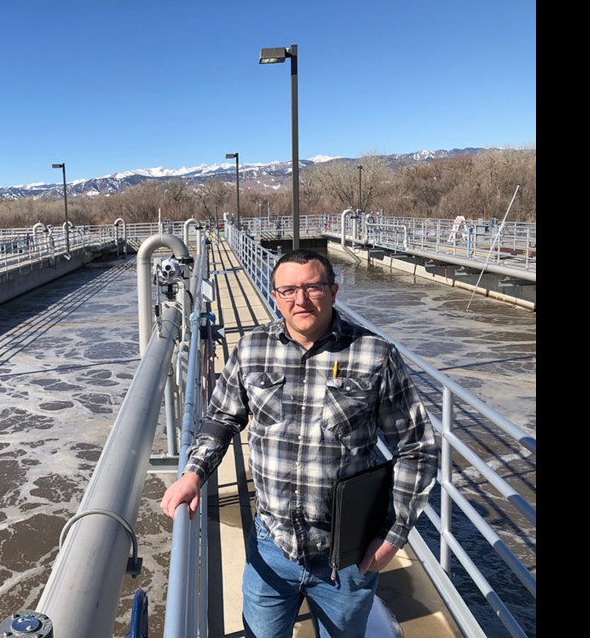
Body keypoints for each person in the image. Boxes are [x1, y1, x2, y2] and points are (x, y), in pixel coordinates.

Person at [160, 249, 438, 637]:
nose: (300, 300)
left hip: (348, 557)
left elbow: (416, 447)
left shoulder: (375, 355)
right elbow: (222, 417)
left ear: (334, 291)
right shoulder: (252, 349)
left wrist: (394, 534)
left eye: (312, 287)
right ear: (275, 296)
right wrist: (194, 472)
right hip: (272, 546)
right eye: (288, 290)